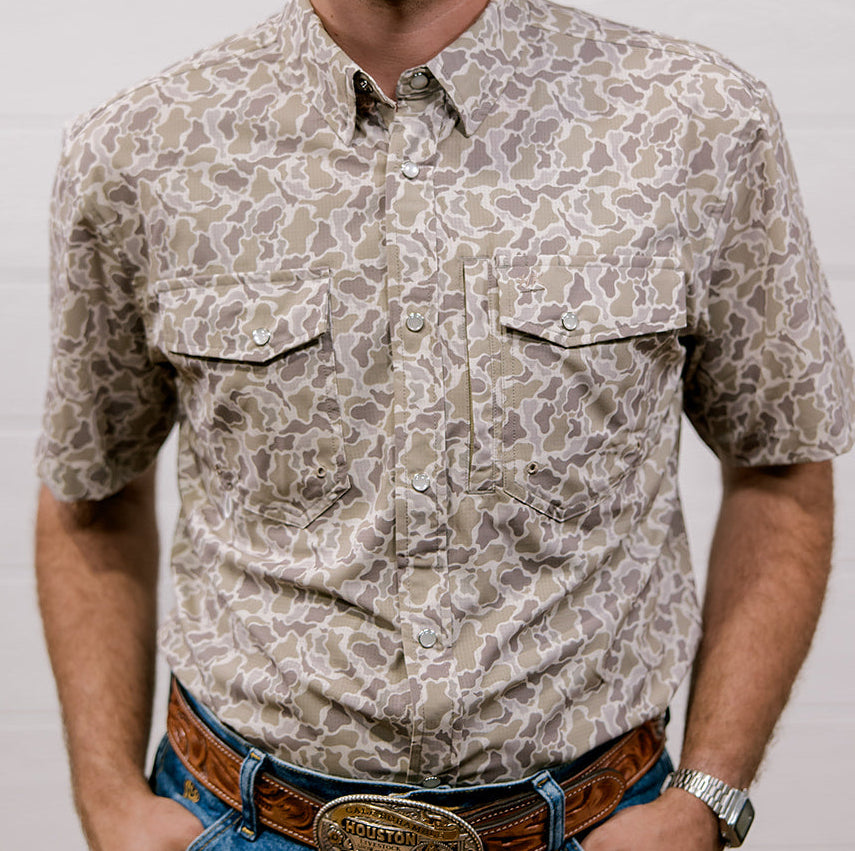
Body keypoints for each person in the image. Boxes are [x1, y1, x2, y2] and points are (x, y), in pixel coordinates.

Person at [34, 0, 854, 849]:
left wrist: (707, 797)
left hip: (597, 822)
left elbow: (782, 464)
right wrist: (109, 804)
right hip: (235, 819)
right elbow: (91, 494)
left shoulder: (694, 122)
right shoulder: (141, 149)